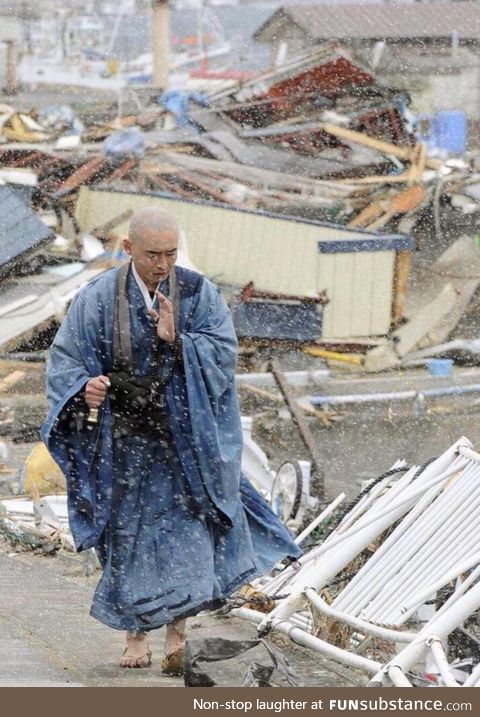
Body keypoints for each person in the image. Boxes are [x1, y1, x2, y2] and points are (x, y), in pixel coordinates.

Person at [41, 207, 302, 674]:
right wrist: (87, 386)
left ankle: (178, 634)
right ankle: (135, 633)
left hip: (185, 437)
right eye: (152, 255)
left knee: (188, 538)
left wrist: (178, 339)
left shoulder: (198, 294)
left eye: (170, 254)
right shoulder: (98, 297)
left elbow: (223, 354)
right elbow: (66, 360)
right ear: (128, 249)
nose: (162, 265)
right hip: (124, 438)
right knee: (127, 537)